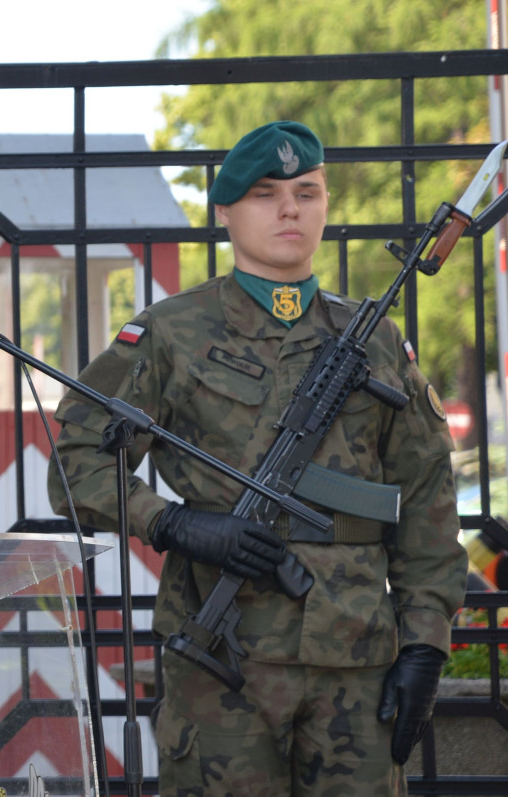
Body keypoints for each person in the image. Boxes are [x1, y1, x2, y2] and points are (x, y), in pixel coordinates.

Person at [47, 121, 467, 795]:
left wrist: (424, 641)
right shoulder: (171, 334)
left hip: (356, 662)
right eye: (266, 193)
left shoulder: (377, 341)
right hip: (222, 666)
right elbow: (76, 462)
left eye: (308, 190)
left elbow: (425, 499)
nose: (290, 208)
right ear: (226, 211)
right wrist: (172, 523)